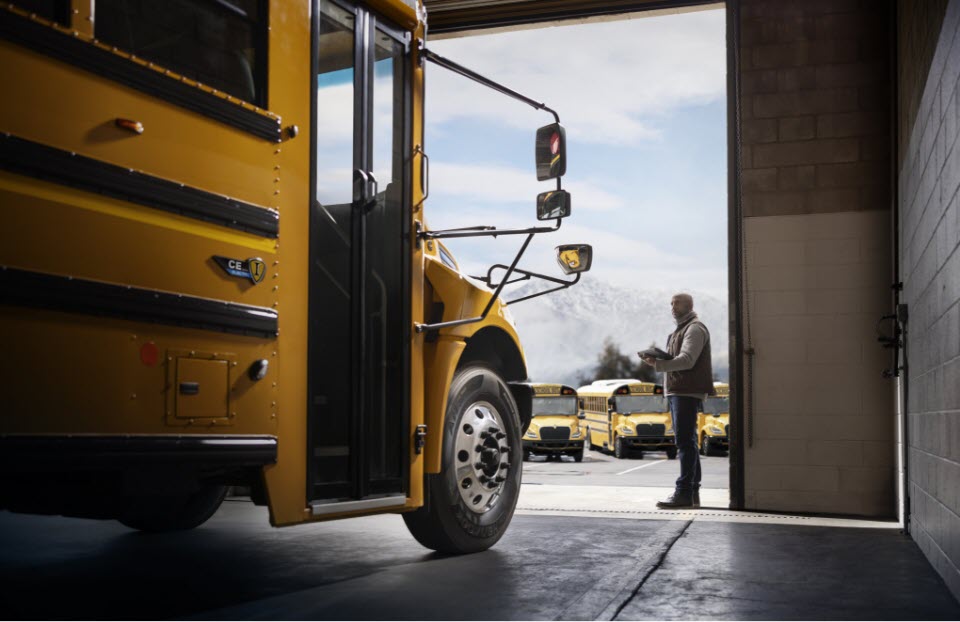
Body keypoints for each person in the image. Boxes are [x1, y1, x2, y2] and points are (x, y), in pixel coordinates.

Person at [641, 293, 715, 509]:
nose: (672, 307)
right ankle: (692, 493)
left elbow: (687, 360)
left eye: (676, 303)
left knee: (685, 442)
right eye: (671, 303)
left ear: (689, 305)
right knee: (688, 441)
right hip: (679, 391)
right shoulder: (680, 330)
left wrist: (658, 364)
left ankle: (683, 493)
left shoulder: (694, 328)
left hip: (686, 391)